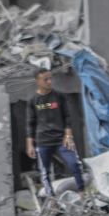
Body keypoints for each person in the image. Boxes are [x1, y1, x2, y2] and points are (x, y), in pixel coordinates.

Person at [26, 69, 86, 197]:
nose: (49, 81)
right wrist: (30, 145)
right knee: (45, 172)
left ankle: (82, 192)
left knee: (74, 164)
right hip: (43, 141)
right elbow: (30, 123)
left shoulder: (59, 96)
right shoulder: (33, 101)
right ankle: (51, 199)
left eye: (50, 78)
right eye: (45, 79)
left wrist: (68, 136)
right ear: (37, 81)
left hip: (61, 139)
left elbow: (67, 118)